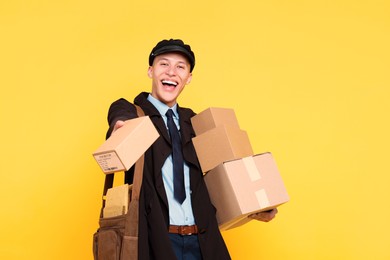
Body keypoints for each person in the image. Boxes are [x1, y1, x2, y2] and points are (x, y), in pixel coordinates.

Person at [105, 39, 278, 260]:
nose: (171, 72)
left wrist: (255, 206)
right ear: (151, 71)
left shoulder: (195, 123)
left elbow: (226, 174)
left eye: (180, 67)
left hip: (202, 241)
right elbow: (119, 113)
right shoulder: (134, 113)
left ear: (189, 77)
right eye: (163, 64)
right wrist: (120, 126)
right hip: (157, 240)